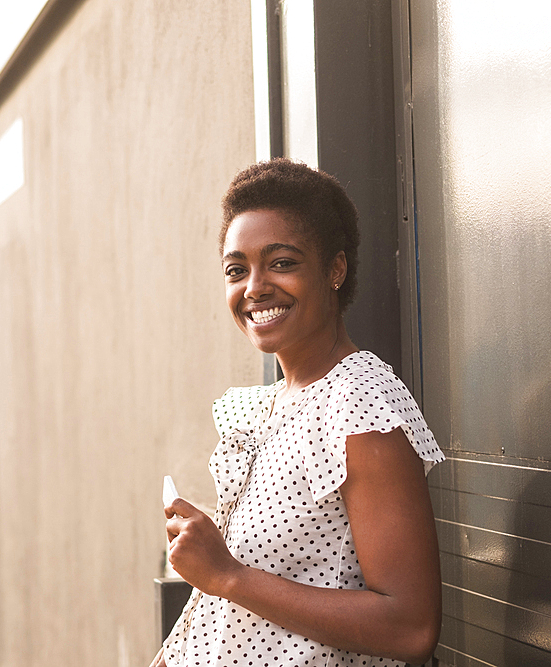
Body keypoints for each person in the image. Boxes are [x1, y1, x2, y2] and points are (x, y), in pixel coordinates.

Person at [152, 159, 445, 667]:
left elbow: (411, 628)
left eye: (281, 263)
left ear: (335, 269)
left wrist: (227, 575)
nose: (254, 287)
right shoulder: (269, 404)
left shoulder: (359, 404)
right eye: (236, 270)